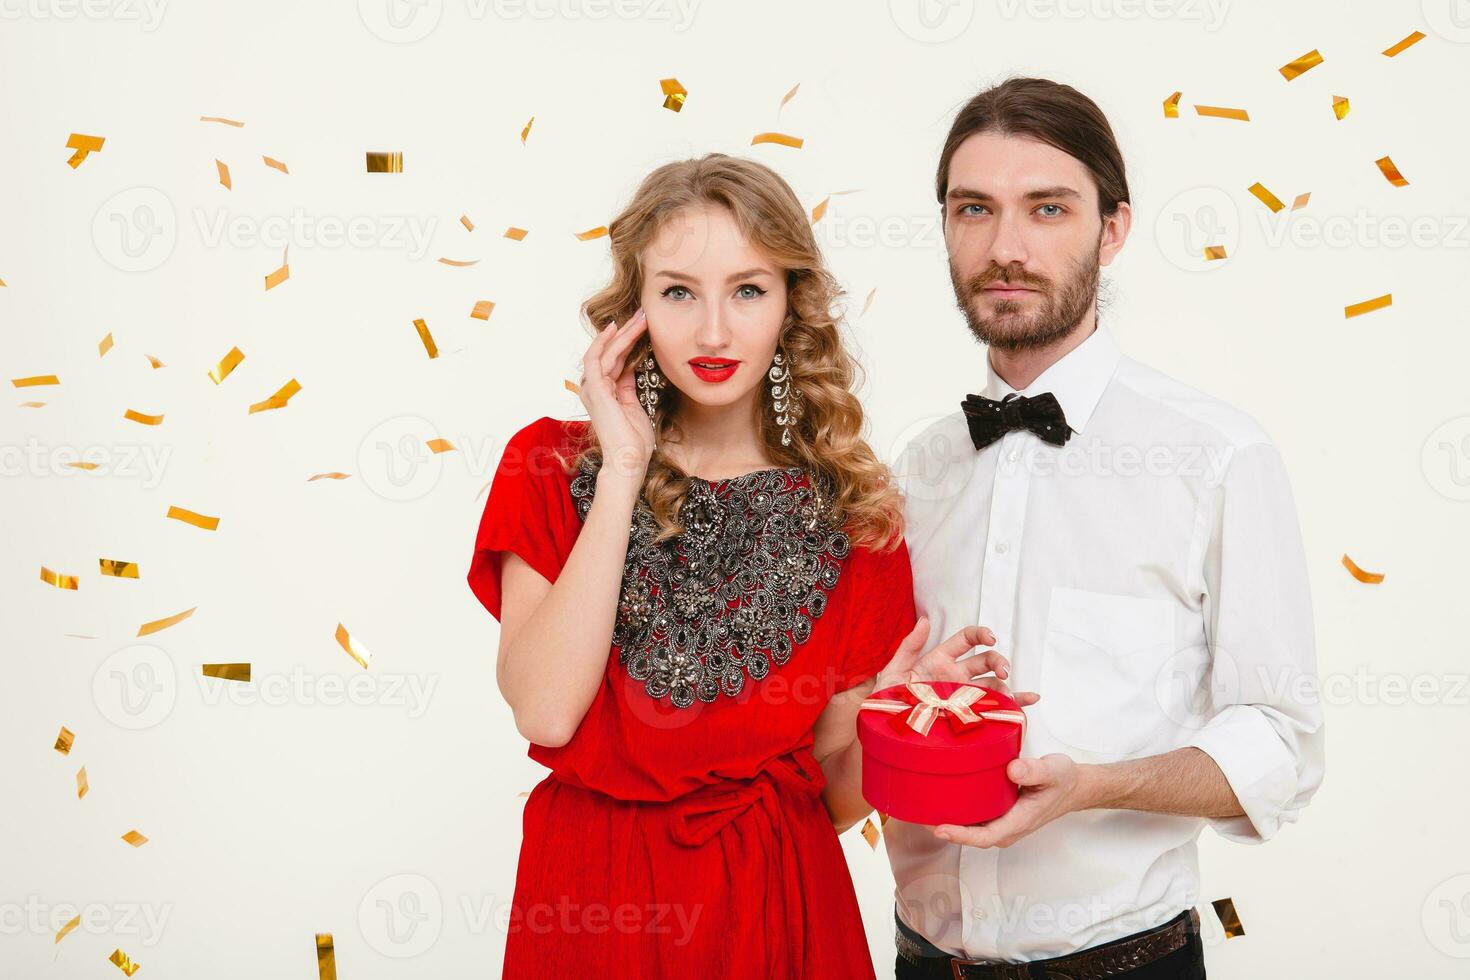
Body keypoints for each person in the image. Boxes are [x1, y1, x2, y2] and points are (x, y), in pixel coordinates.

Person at [466, 153, 989, 978]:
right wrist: (624, 470)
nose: (713, 331)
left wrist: (888, 713)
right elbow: (545, 713)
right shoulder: (550, 467)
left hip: (774, 906)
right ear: (632, 308)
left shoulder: (859, 514)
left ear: (790, 305)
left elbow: (834, 801)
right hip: (589, 903)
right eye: (678, 291)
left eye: (748, 290)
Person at [875, 77, 1326, 979]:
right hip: (921, 961)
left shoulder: (1217, 456)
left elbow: (1284, 741)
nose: (1006, 247)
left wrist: (1095, 788)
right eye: (975, 209)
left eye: (1048, 208)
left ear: (1111, 229)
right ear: (946, 229)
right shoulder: (910, 475)